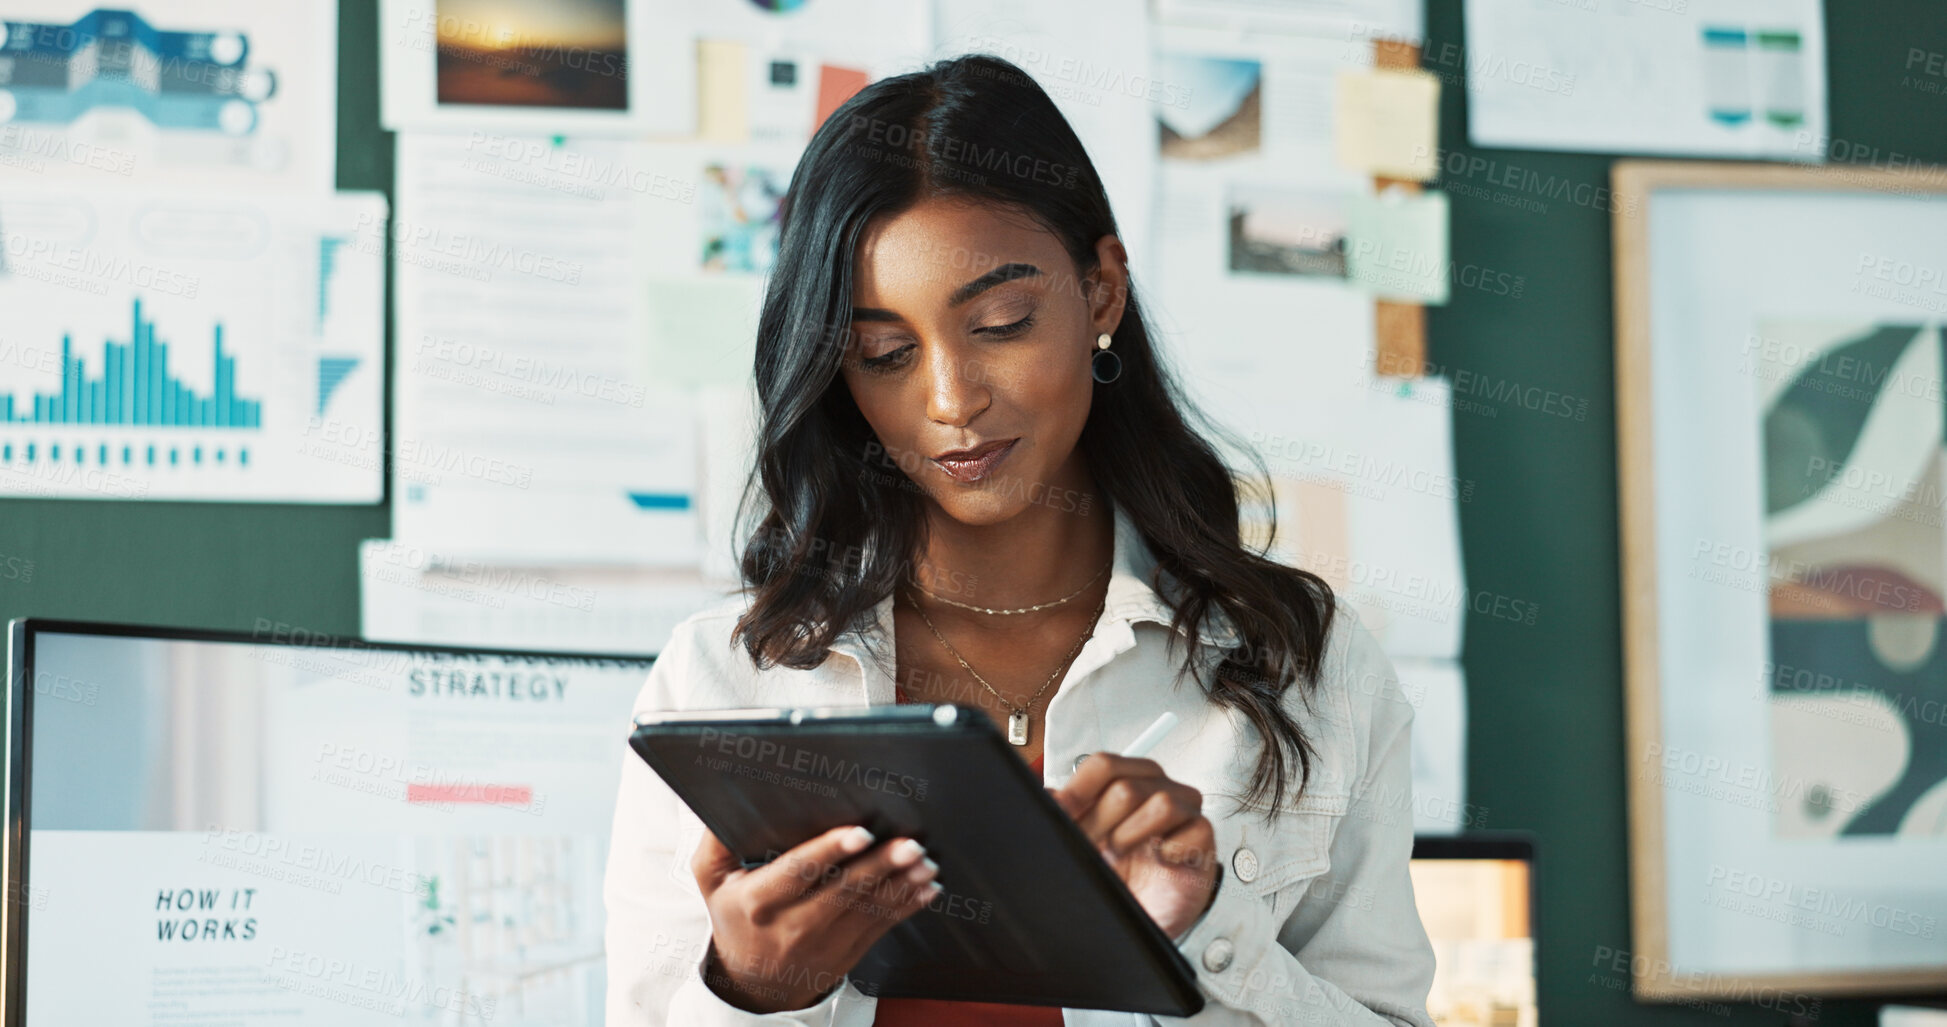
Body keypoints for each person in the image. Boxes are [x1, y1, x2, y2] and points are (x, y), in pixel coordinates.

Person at [605, 53, 1435, 1026]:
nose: (952, 401)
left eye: (1000, 322)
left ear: (1102, 293)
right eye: (886, 353)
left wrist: (1207, 928)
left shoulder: (1306, 667)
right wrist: (753, 995)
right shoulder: (722, 682)